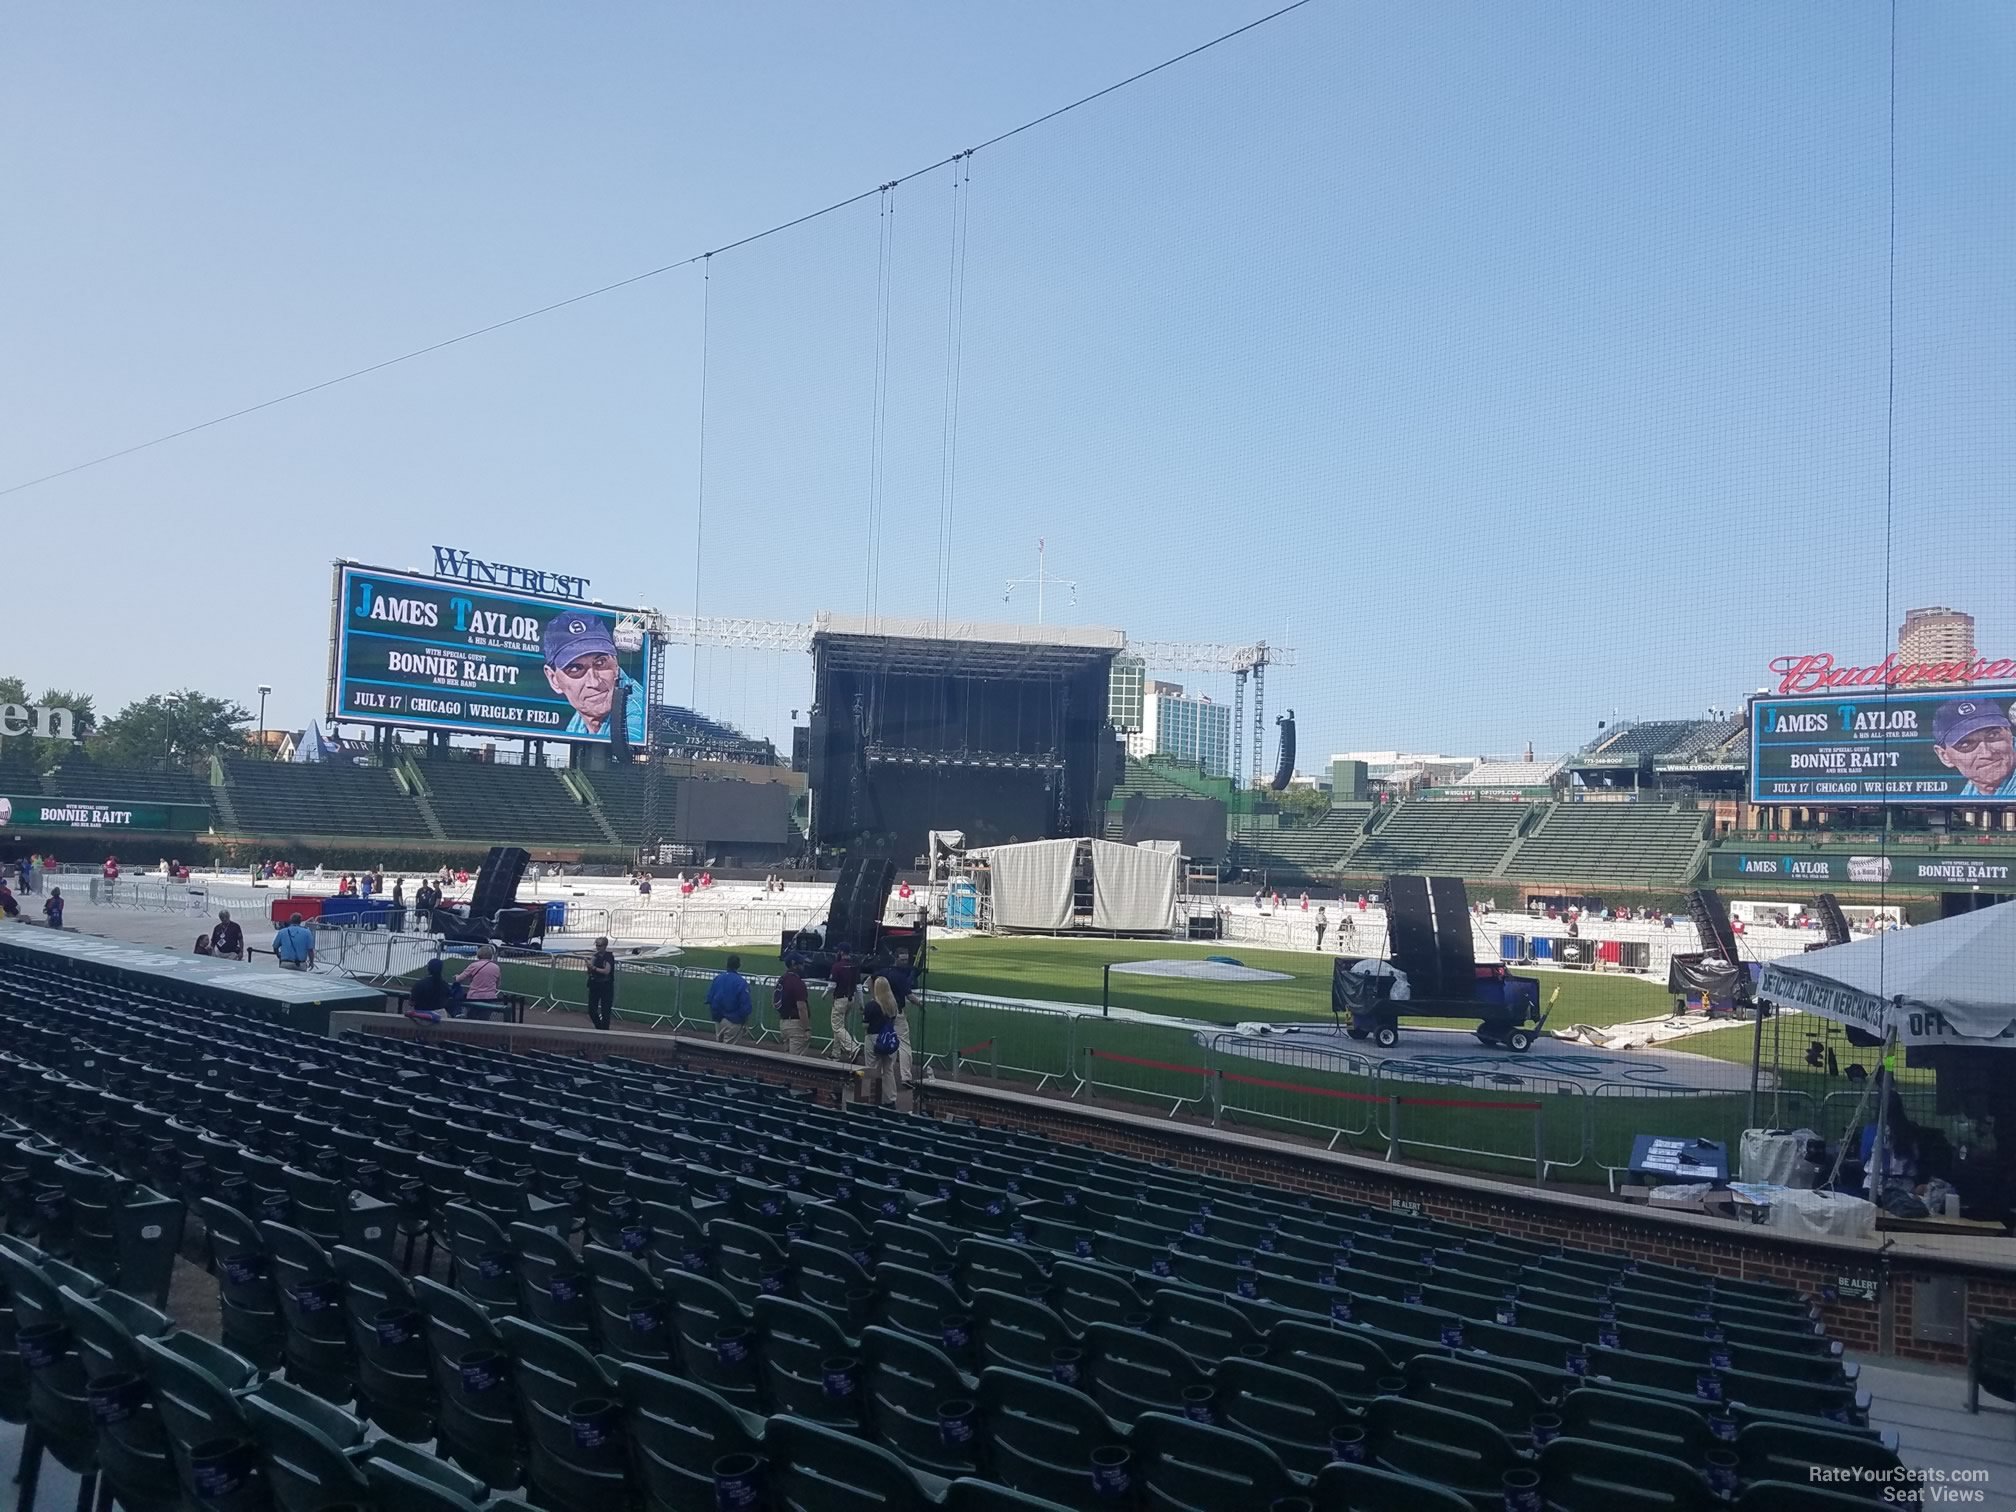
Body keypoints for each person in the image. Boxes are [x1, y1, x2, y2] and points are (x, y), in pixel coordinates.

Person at [541, 611, 647, 743]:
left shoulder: (638, 714)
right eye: (575, 669)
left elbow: (627, 759)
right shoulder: (579, 720)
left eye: (600, 663)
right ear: (553, 679)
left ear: (616, 662)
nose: (594, 682)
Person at [1931, 698, 2016, 797]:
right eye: (1966, 744)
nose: (1986, 753)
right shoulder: (1967, 797)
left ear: (2009, 733)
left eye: (1993, 735)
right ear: (1944, 756)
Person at [707, 954, 754, 1046]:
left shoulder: (718, 978)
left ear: (727, 964)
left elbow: (710, 999)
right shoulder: (741, 982)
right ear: (739, 965)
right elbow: (745, 1005)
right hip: (733, 1021)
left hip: (718, 1020)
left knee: (717, 1048)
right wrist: (745, 1022)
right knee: (728, 1052)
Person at [828, 950, 863, 1060]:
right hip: (850, 1000)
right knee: (840, 1028)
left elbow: (832, 985)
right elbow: (859, 987)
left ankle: (853, 1048)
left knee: (838, 1027)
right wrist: (861, 1003)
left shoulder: (837, 966)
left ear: (841, 952)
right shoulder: (854, 966)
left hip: (840, 999)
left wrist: (824, 994)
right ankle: (836, 1054)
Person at [454, 945, 504, 1020]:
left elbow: (460, 979)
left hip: (474, 997)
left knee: (471, 1019)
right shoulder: (496, 967)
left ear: (479, 954)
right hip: (489, 998)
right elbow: (498, 984)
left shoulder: (473, 965)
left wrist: (456, 977)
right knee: (484, 1020)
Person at [774, 960, 811, 1056]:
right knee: (796, 1061)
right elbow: (802, 1008)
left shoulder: (781, 979)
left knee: (786, 1059)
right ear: (795, 965)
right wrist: (806, 1029)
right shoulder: (798, 983)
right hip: (796, 1025)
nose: (803, 967)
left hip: (783, 1023)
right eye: (801, 964)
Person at [585, 936, 617, 1031]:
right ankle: (600, 1028)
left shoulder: (609, 956)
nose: (598, 947)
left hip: (606, 986)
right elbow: (589, 971)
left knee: (605, 1011)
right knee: (591, 1010)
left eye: (600, 945)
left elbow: (607, 971)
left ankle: (605, 1031)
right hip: (595, 984)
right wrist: (589, 967)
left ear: (605, 946)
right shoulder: (595, 956)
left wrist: (593, 968)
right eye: (597, 945)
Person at [407, 957, 450, 1023]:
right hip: (440, 1016)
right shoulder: (445, 985)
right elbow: (447, 1001)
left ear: (428, 969)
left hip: (421, 1017)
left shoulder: (420, 984)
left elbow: (411, 1003)